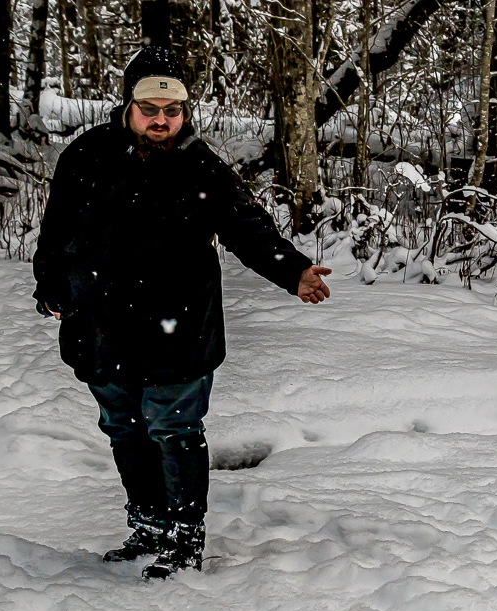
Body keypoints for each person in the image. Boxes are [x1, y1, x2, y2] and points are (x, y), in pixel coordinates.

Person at [32, 46, 331, 579]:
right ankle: (147, 525)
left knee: (174, 429)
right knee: (123, 428)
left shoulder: (199, 164)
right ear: (129, 104)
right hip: (101, 325)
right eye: (151, 108)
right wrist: (52, 287)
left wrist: (294, 271)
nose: (163, 120)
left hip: (178, 329)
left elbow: (247, 227)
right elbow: (56, 234)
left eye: (173, 110)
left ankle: (184, 537)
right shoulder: (86, 156)